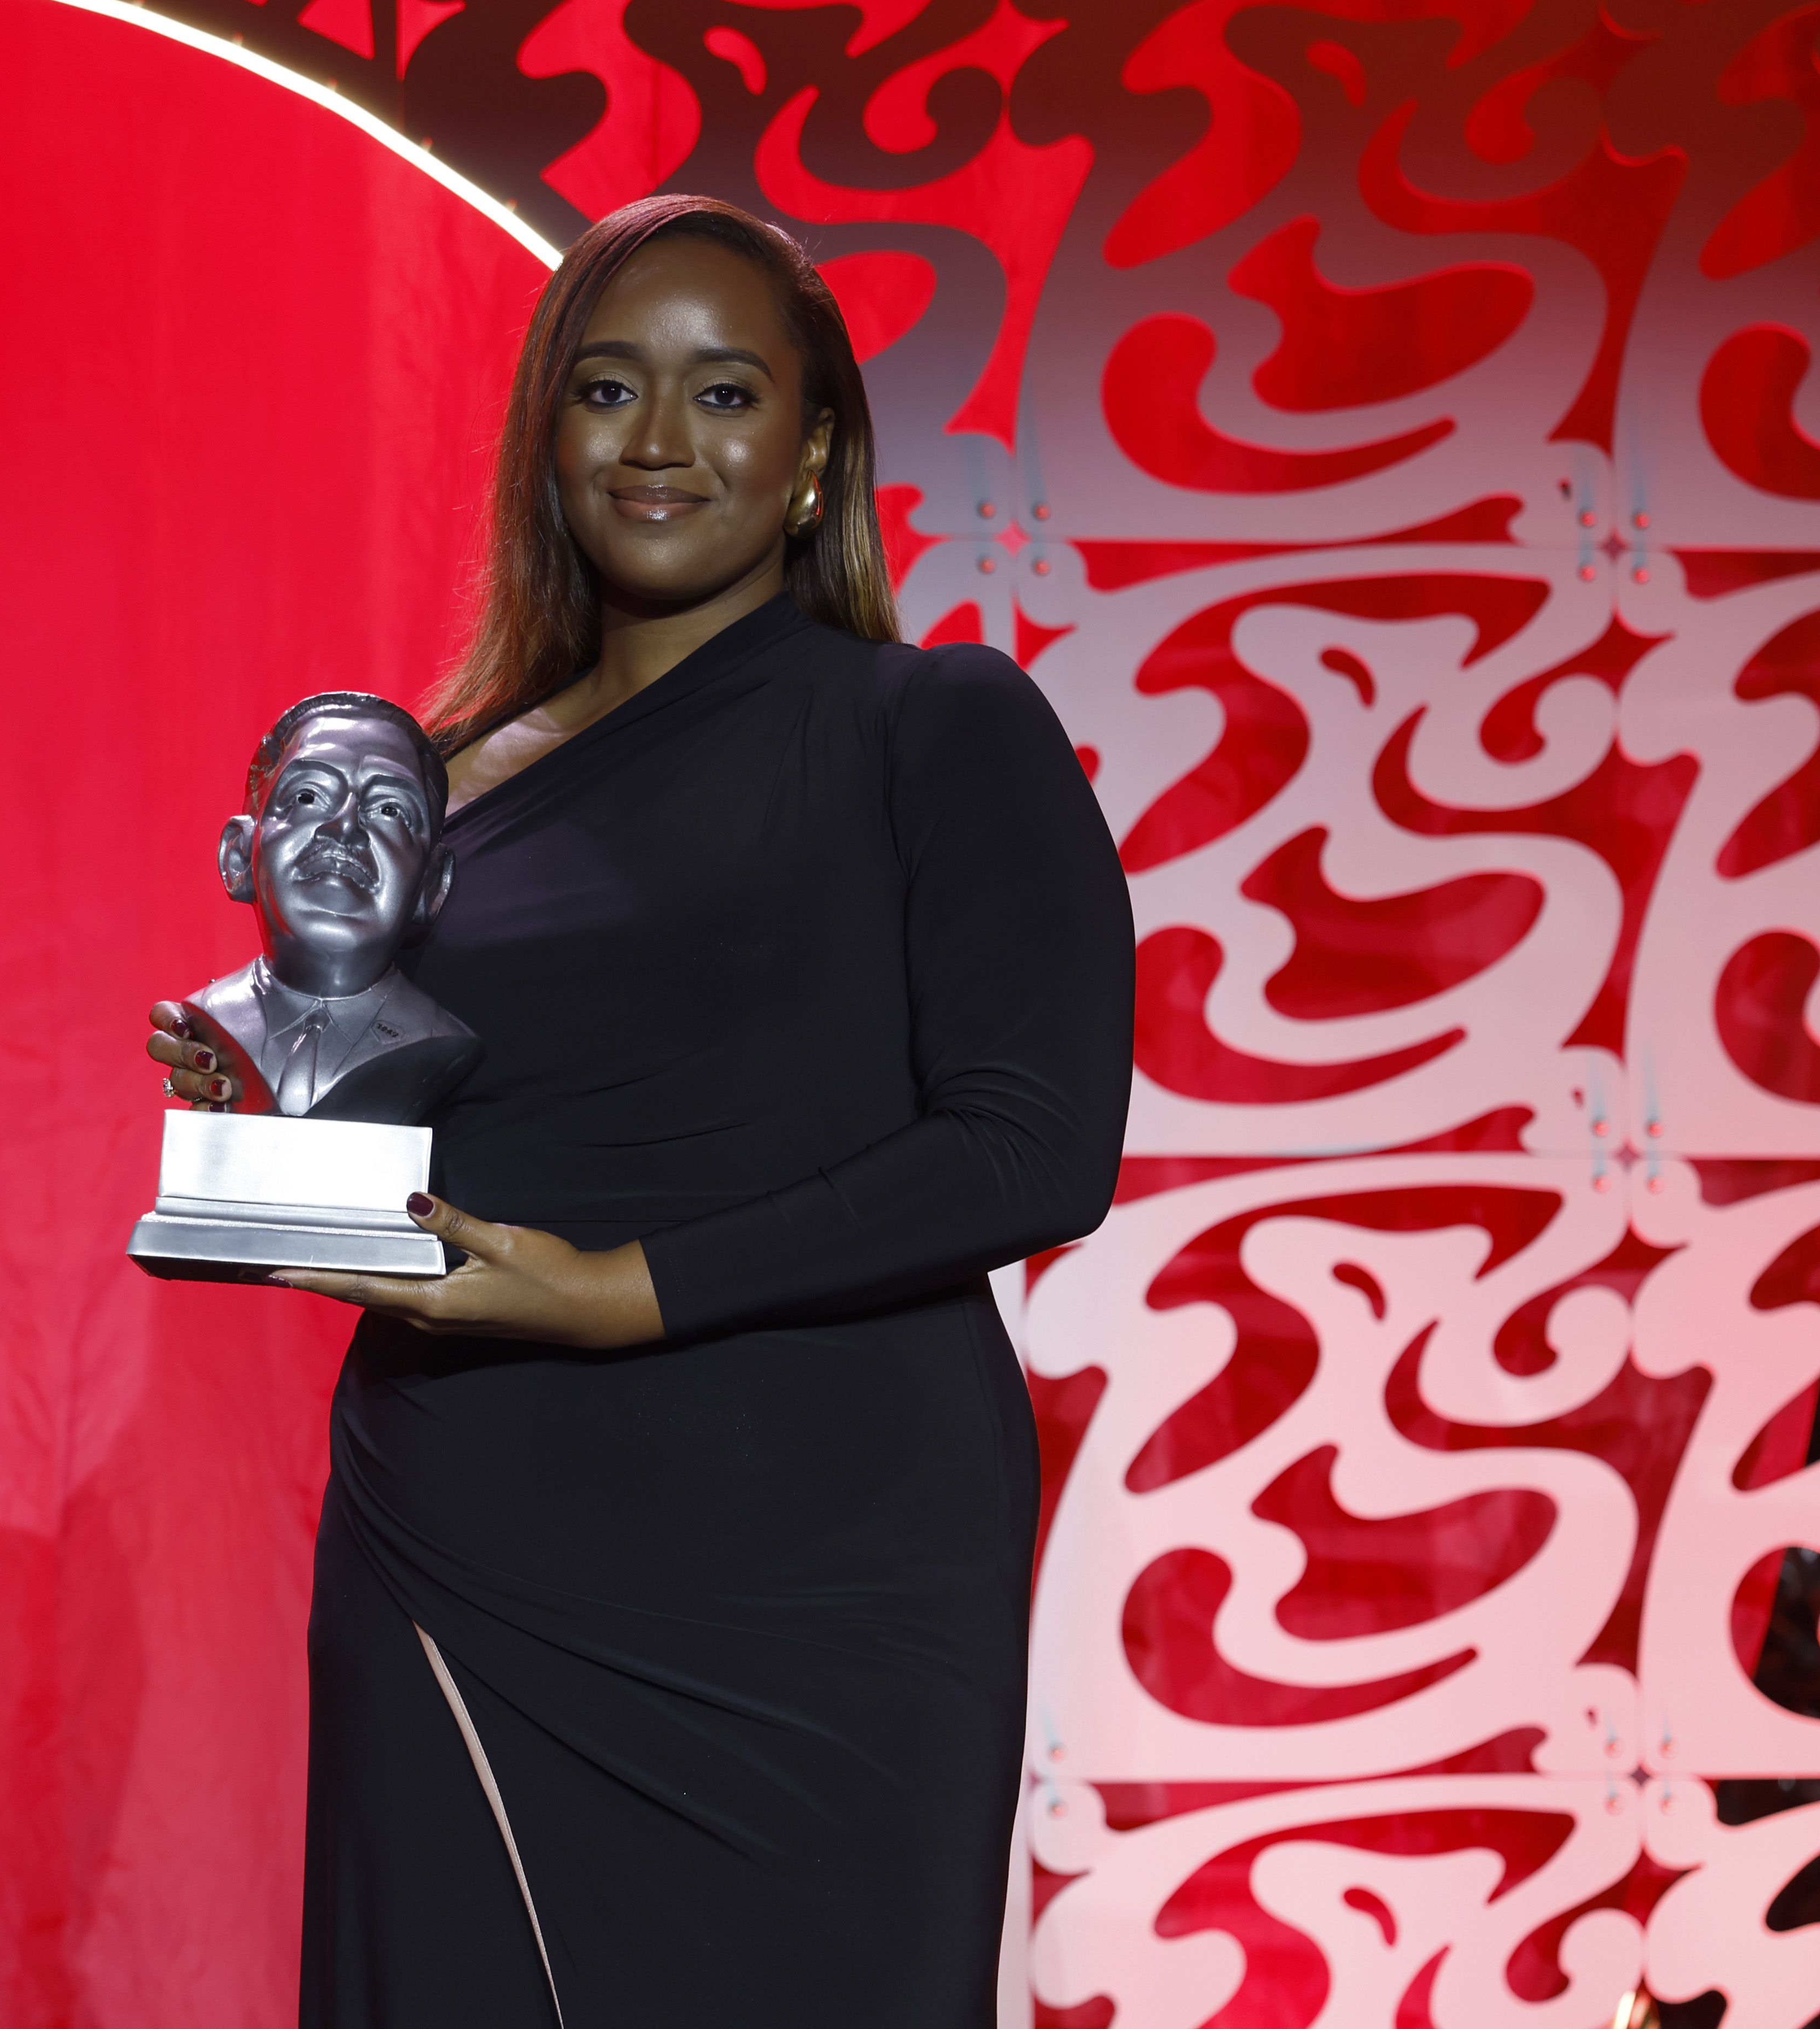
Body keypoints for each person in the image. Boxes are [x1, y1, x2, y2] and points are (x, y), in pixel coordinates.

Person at [144, 194, 1132, 2027]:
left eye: (727, 391)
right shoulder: (427, 780)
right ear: (547, 432)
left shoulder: (934, 727)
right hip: (473, 1532)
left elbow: (1032, 1146)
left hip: (824, 1569)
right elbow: (470, 1131)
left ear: (819, 440)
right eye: (609, 389)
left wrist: (622, 1288)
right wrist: (282, 1130)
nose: (664, 442)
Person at [177, 692, 481, 1124]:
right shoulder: (208, 1016)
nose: (344, 829)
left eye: (390, 810)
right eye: (307, 797)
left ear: (431, 886)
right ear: (239, 855)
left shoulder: (442, 1040)